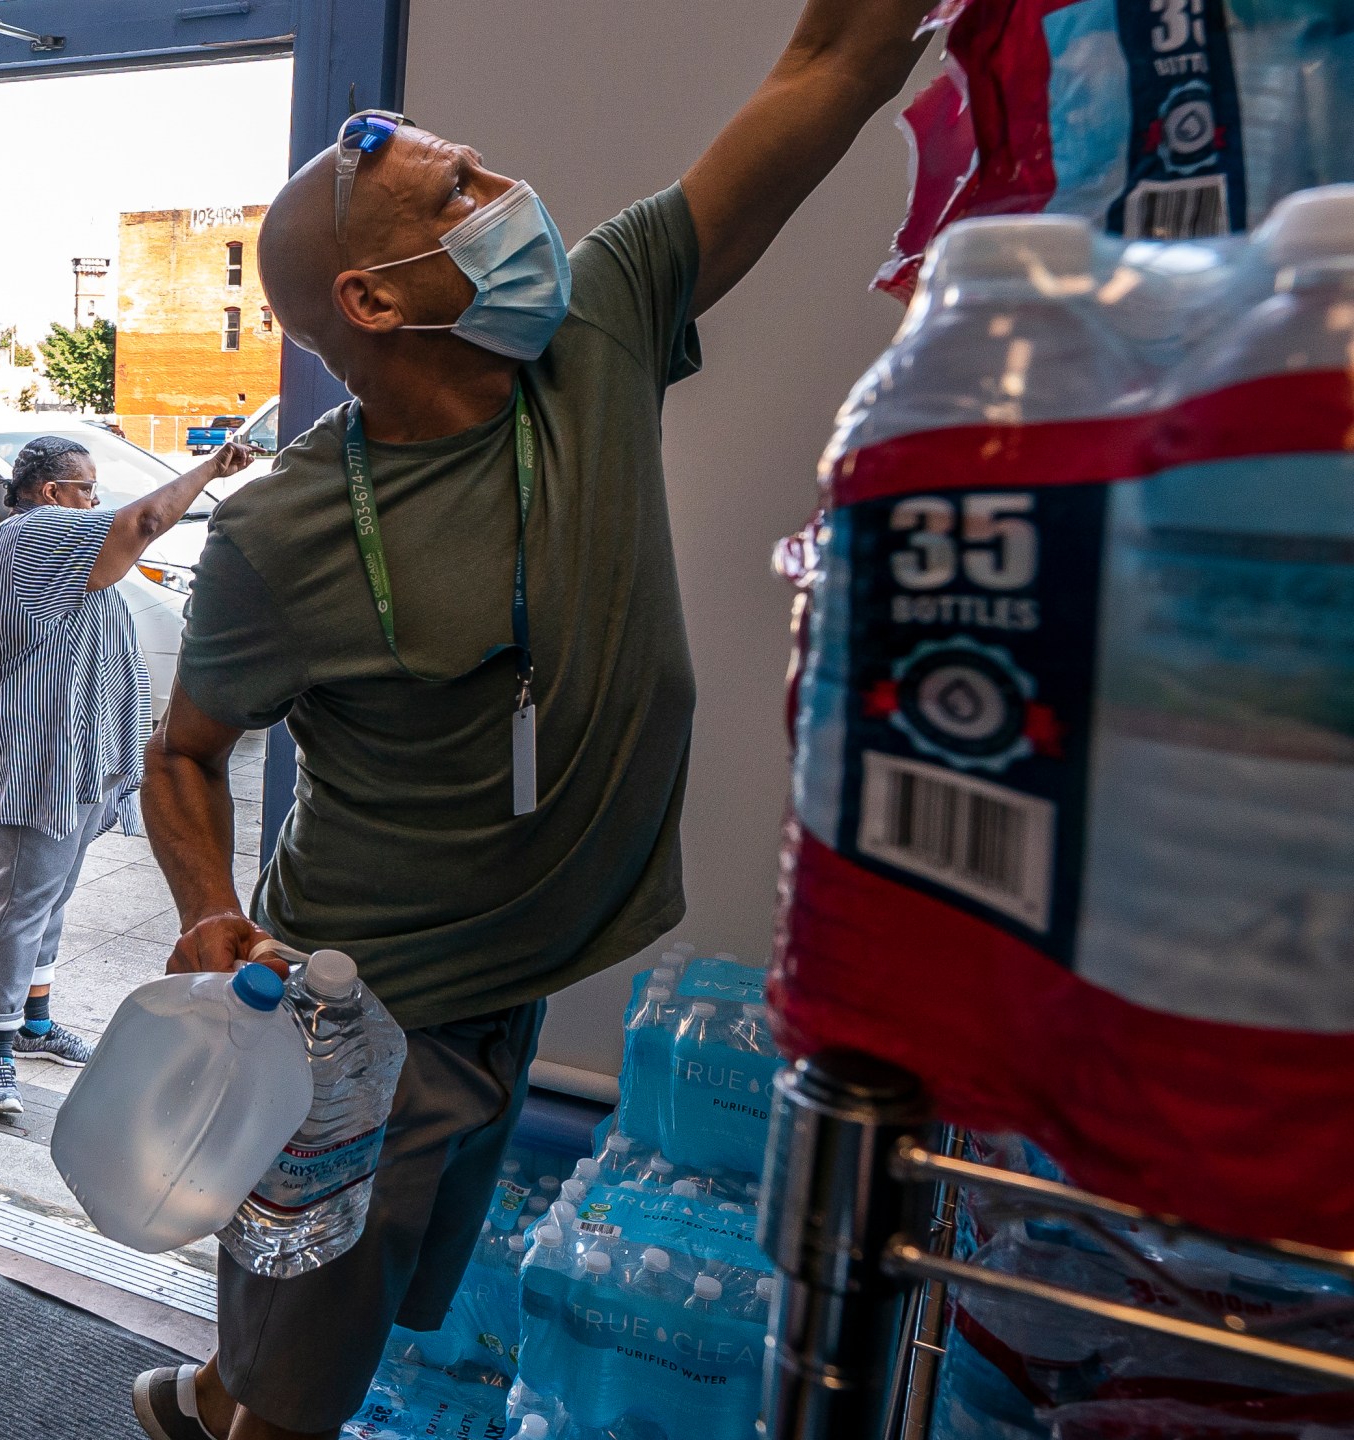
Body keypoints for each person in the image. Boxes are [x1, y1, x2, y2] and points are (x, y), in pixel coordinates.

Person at [127, 1, 940, 1436]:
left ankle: (207, 1393)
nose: (513, 199)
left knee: (340, 1308)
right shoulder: (283, 533)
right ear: (374, 299)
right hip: (360, 1022)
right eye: (461, 193)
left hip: (516, 986)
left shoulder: (602, 324)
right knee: (304, 1377)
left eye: (483, 168)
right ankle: (224, 1408)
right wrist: (206, 912)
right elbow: (185, 751)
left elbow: (834, 61)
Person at [0, 432, 255, 1116]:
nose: (98, 502)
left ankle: (33, 1026)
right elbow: (144, 522)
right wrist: (212, 465)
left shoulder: (67, 550)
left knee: (49, 897)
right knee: (24, 902)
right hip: (34, 756)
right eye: (87, 489)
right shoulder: (33, 536)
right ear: (52, 494)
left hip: (74, 753)